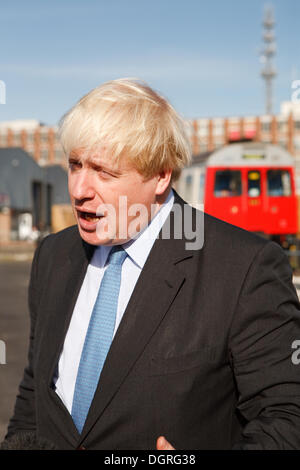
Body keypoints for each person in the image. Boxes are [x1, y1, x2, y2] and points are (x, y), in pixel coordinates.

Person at [4, 78, 300, 450]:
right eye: (75, 165)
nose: (79, 189)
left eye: (103, 171)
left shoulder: (243, 267)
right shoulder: (52, 255)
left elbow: (287, 418)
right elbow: (36, 390)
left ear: (160, 175)